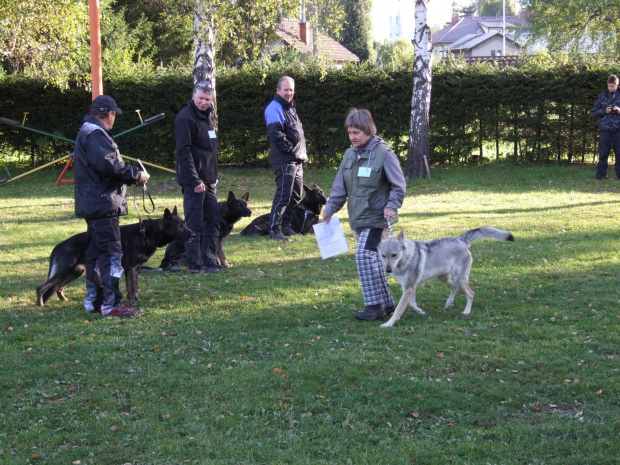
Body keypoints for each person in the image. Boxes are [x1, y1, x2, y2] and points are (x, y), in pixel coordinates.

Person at [322, 108, 406, 321]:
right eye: (350, 133)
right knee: (374, 260)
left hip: (377, 218)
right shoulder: (349, 155)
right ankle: (387, 304)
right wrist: (330, 210)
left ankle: (374, 306)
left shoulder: (384, 154)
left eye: (356, 132)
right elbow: (340, 187)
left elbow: (399, 185)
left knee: (363, 256)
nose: (352, 137)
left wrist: (392, 206)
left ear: (368, 130)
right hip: (358, 219)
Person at [74, 94, 150, 318]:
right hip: (103, 203)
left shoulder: (87, 131)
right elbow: (110, 166)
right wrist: (136, 175)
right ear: (110, 114)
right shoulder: (96, 134)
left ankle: (96, 300)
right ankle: (112, 304)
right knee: (110, 254)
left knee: (95, 254)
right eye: (114, 114)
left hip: (95, 203)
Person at [175, 81, 222, 274]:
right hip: (194, 181)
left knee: (213, 218)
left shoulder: (207, 117)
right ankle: (194, 264)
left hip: (209, 180)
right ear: (193, 97)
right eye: (201, 98)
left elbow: (210, 150)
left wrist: (213, 175)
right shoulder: (185, 118)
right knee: (194, 222)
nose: (204, 102)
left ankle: (210, 259)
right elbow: (184, 152)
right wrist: (195, 180)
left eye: (207, 99)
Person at [264, 76, 308, 241]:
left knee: (295, 195)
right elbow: (276, 134)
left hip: (296, 159)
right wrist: (291, 150)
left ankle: (286, 226)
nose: (289, 93)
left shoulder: (290, 107)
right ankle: (274, 230)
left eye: (291, 90)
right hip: (284, 159)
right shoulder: (274, 108)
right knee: (284, 194)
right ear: (278, 90)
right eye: (286, 90)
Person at [593, 74, 620, 180]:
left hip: (618, 130)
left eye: (613, 86)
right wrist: (605, 111)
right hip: (605, 130)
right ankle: (600, 175)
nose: (610, 88)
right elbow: (594, 112)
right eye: (609, 86)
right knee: (603, 153)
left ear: (617, 85)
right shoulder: (602, 96)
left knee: (619, 154)